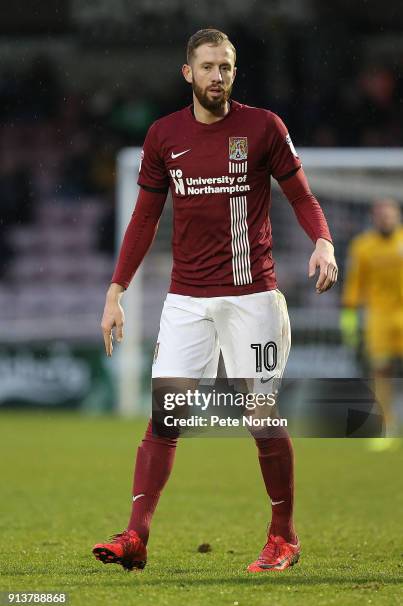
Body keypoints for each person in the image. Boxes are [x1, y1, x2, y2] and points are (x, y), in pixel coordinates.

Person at [92, 29, 337, 573]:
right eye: (207, 67)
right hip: (186, 300)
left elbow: (301, 194)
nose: (217, 76)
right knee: (165, 415)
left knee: (259, 413)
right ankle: (136, 535)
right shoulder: (163, 136)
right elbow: (144, 218)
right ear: (188, 73)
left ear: (234, 71)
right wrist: (116, 290)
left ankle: (284, 536)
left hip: (253, 297)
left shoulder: (263, 127)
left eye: (225, 67)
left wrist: (322, 239)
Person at [341, 197, 403, 450]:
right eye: (381, 215)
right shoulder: (362, 246)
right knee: (380, 371)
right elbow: (355, 281)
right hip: (378, 315)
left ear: (397, 216)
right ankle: (387, 426)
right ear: (374, 218)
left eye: (390, 215)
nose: (386, 219)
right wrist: (349, 317)